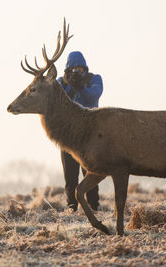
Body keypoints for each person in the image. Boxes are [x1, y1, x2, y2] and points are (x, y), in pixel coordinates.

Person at [57, 51, 103, 212]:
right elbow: (58, 102)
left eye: (80, 68)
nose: (77, 71)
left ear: (85, 68)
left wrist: (81, 87)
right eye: (73, 69)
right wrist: (69, 86)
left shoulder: (94, 79)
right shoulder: (61, 82)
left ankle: (93, 206)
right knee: (70, 175)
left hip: (88, 135)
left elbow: (92, 97)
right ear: (68, 69)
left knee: (91, 173)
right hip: (67, 135)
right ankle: (72, 206)